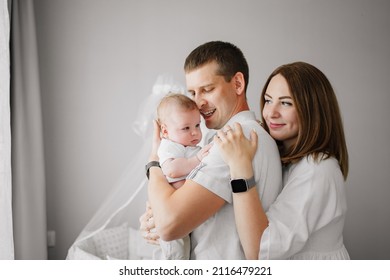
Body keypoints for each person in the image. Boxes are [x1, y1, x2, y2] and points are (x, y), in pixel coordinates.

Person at [141, 41, 283, 259]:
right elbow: (169, 217)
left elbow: (169, 225)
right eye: (193, 93)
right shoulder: (215, 139)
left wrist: (154, 162)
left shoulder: (235, 140)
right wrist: (154, 218)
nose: (198, 103)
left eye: (207, 90)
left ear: (237, 83)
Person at [214, 61, 350, 259]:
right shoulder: (279, 157)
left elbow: (261, 252)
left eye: (286, 103)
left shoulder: (318, 169)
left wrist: (240, 167)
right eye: (268, 100)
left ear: (312, 110)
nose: (271, 113)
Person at [153, 92, 211, 259]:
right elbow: (171, 169)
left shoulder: (189, 146)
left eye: (197, 125)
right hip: (171, 211)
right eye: (186, 128)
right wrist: (197, 159)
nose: (194, 133)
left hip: (185, 209)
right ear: (165, 131)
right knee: (176, 254)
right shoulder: (169, 145)